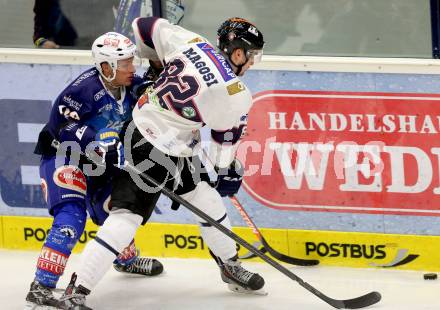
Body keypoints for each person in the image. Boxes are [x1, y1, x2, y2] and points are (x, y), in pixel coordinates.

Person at [59, 16, 265, 309]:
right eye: (253, 55)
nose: (253, 62)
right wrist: (224, 171)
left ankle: (229, 264)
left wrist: (157, 65)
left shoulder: (194, 42)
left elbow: (143, 26)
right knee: (126, 219)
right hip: (154, 148)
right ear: (238, 53)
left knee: (204, 198)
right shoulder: (236, 94)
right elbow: (222, 152)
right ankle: (76, 289)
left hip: (146, 134)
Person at [25, 31, 164, 309]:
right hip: (65, 157)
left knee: (118, 209)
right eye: (124, 63)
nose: (131, 67)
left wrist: (158, 69)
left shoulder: (128, 84)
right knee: (70, 218)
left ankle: (125, 258)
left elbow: (152, 89)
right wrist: (98, 144)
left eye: (130, 61)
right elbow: (65, 130)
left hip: (99, 162)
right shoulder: (80, 92)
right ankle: (41, 286)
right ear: (105, 66)